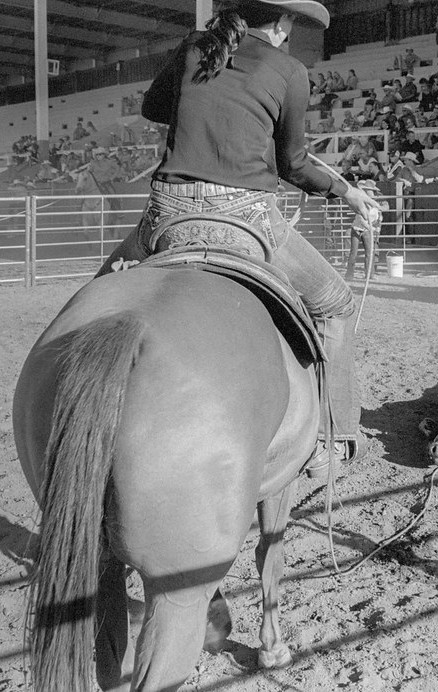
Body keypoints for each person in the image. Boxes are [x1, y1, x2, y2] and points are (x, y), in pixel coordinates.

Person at [96, 0, 379, 475]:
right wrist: (345, 192)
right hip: (246, 213)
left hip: (169, 210)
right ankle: (336, 436)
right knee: (337, 305)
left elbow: (151, 107)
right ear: (285, 23)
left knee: (97, 296)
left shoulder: (194, 49)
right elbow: (293, 164)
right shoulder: (289, 70)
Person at [344, 179, 387, 280]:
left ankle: (369, 274)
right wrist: (372, 228)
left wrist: (376, 226)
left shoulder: (376, 203)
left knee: (369, 252)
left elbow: (379, 215)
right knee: (353, 252)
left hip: (368, 230)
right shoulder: (360, 201)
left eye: (370, 190)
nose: (369, 192)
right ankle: (349, 274)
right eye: (367, 190)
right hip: (357, 228)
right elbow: (361, 219)